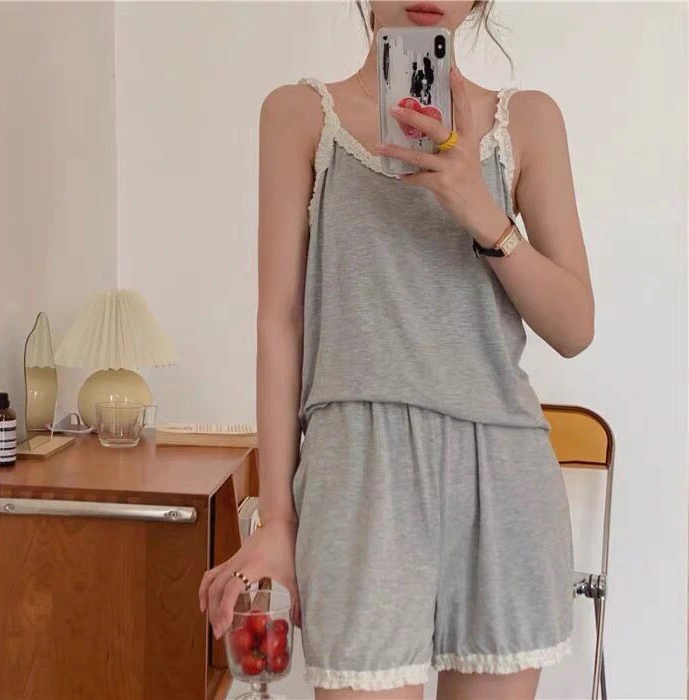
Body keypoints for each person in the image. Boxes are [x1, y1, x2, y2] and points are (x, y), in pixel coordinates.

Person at [200, 1, 595, 698]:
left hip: (503, 476)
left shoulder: (529, 122)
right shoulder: (300, 117)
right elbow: (279, 322)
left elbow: (574, 326)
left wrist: (480, 209)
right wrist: (277, 518)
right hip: (358, 474)